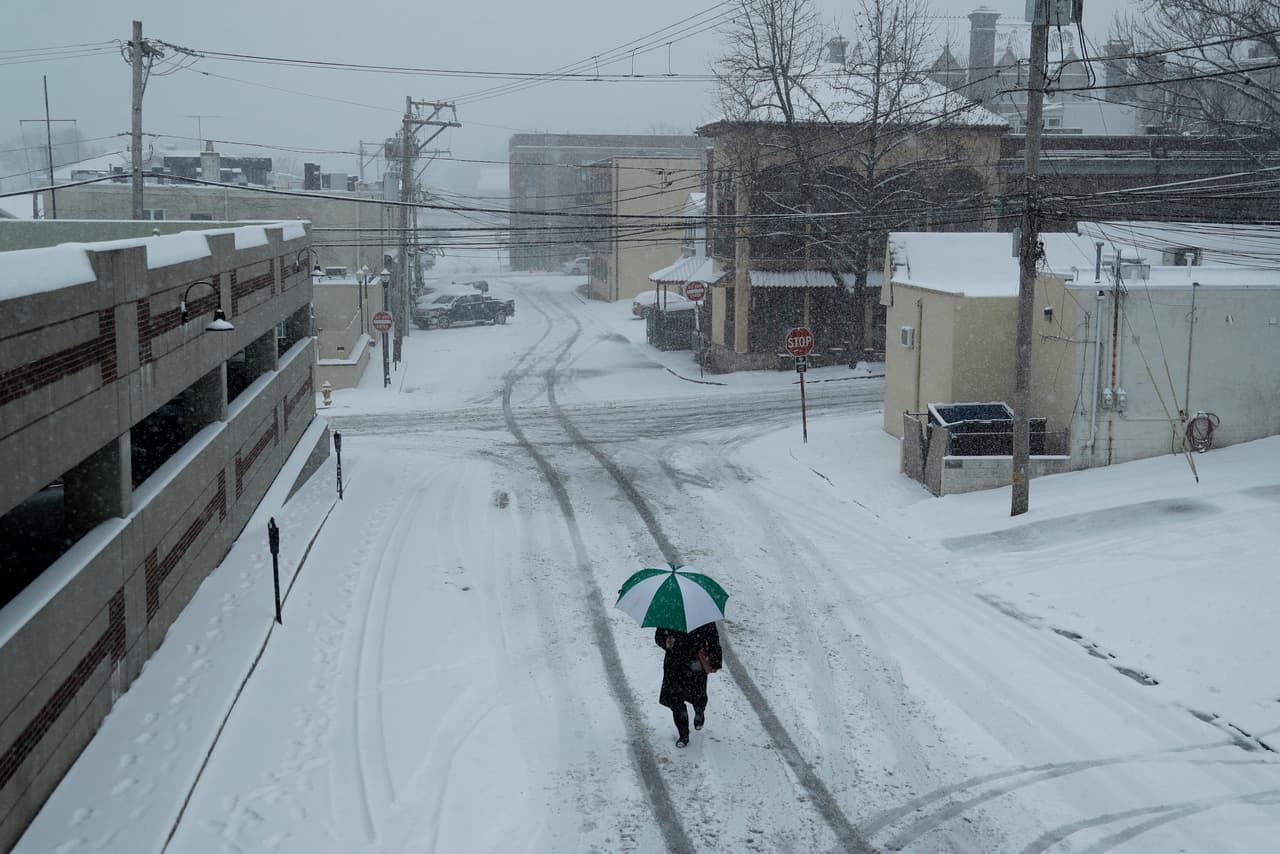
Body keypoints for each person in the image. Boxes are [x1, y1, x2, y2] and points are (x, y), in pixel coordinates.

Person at [655, 622, 723, 748]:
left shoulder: (701, 614)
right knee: (676, 700)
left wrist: (715, 660)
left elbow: (713, 638)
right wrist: (666, 642)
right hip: (674, 666)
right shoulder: (671, 614)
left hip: (695, 665)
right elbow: (658, 637)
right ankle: (683, 734)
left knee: (697, 694)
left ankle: (699, 711)